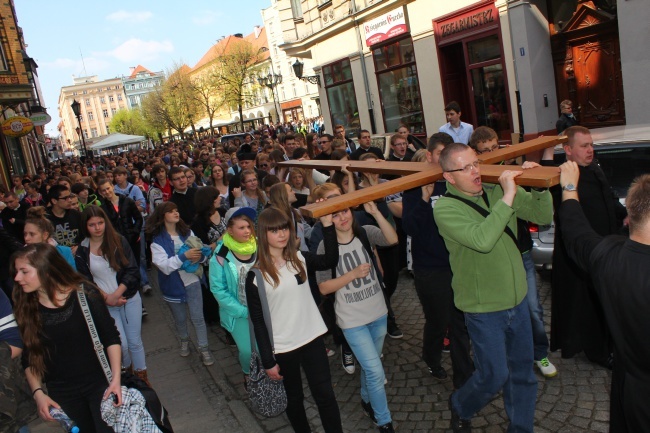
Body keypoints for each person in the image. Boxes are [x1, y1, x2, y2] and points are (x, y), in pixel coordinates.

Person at [433, 142, 553, 432]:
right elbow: (482, 240)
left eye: (476, 163)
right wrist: (508, 197)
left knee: (522, 374)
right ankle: (461, 405)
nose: (476, 171)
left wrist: (539, 187)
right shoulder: (445, 209)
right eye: (466, 167)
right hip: (483, 308)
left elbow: (543, 216)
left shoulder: (496, 190)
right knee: (494, 376)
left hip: (517, 300)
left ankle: (521, 429)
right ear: (449, 176)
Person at [558, 165, 650, 433]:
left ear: (630, 215)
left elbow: (576, 232)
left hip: (630, 390)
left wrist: (569, 188)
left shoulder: (608, 256)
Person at [468, 126, 558, 378]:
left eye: (495, 148)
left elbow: (542, 216)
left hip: (522, 254)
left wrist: (538, 185)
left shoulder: (512, 176)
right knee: (497, 313)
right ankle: (505, 360)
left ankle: (539, 353)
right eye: (484, 151)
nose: (492, 154)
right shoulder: (474, 184)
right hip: (491, 261)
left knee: (532, 308)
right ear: (476, 154)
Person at [246, 206, 342, 433]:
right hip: (283, 347)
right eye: (274, 230)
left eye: (284, 228)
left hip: (312, 338)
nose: (282, 234)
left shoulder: (300, 258)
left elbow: (330, 260)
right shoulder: (256, 275)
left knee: (325, 395)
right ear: (263, 234)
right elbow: (257, 322)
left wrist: (327, 225)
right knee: (295, 400)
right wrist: (268, 361)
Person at [12, 243, 122, 432]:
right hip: (61, 393)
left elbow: (111, 338)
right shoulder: (26, 306)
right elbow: (29, 358)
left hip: (100, 385)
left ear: (46, 270)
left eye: (24, 271)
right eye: (16, 271)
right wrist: (39, 394)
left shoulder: (85, 294)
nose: (17, 278)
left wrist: (116, 381)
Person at [543, 126, 627, 368]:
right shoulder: (564, 175)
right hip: (581, 254)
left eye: (591, 145)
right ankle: (597, 352)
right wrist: (541, 159)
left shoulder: (595, 169)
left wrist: (624, 215)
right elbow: (545, 178)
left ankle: (606, 345)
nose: (590, 150)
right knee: (588, 304)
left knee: (603, 301)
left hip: (606, 248)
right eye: (584, 146)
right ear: (568, 150)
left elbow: (609, 198)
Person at [316, 200, 399, 433]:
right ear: (327, 219)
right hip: (351, 320)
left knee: (370, 366)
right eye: (334, 215)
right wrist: (351, 275)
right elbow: (323, 287)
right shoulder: (326, 246)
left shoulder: (364, 232)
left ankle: (365, 398)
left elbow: (392, 239)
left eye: (345, 211)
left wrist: (376, 214)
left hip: (378, 312)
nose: (342, 218)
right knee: (374, 370)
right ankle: (384, 421)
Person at [402, 132, 474, 388]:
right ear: (430, 155)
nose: (445, 161)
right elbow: (410, 227)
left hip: (458, 263)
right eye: (441, 156)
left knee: (460, 322)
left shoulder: (455, 180)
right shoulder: (414, 185)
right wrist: (423, 199)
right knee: (438, 321)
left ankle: (464, 375)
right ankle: (431, 357)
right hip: (430, 269)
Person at [75, 206, 149, 385]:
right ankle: (128, 374)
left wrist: (117, 294)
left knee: (134, 341)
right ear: (85, 227)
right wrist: (106, 298)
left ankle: (142, 378)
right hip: (104, 302)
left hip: (128, 297)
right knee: (120, 343)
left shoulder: (118, 240)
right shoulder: (83, 250)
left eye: (100, 223)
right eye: (92, 225)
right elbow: (85, 280)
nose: (97, 227)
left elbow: (132, 269)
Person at [148, 201, 215, 366]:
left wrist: (200, 257)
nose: (176, 213)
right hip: (173, 285)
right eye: (171, 211)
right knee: (180, 318)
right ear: (163, 216)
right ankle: (184, 340)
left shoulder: (188, 232)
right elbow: (164, 266)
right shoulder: (158, 241)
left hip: (192, 281)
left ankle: (204, 349)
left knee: (198, 318)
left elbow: (203, 256)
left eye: (176, 210)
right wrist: (184, 257)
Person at [209, 207, 258, 382]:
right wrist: (243, 311)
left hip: (264, 307)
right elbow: (218, 289)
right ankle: (248, 374)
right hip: (238, 313)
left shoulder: (260, 246)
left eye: (249, 226)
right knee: (247, 350)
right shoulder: (220, 255)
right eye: (241, 227)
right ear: (229, 230)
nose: (247, 231)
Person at [268, 183, 312, 252]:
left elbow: (308, 232)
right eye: (291, 190)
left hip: (304, 255)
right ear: (283, 195)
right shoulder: (274, 217)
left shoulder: (296, 212)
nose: (294, 192)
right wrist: (292, 247)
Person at [45, 185, 83, 250]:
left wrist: (79, 247)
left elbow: (86, 237)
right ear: (54, 201)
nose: (70, 200)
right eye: (65, 198)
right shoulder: (45, 219)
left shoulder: (76, 215)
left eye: (70, 197)